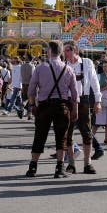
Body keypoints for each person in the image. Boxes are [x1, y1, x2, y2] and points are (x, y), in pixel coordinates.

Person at [25, 41, 79, 179]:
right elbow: (74, 93)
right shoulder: (68, 69)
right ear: (61, 52)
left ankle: (33, 167)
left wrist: (32, 106)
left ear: (49, 51)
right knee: (62, 138)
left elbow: (31, 90)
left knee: (39, 136)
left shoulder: (40, 68)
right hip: (62, 106)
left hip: (44, 106)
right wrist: (75, 110)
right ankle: (59, 168)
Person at [63, 41, 100, 174]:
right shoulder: (64, 64)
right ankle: (71, 163)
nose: (65, 53)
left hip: (83, 100)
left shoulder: (87, 63)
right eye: (64, 50)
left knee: (87, 132)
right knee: (68, 132)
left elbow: (95, 82)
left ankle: (87, 163)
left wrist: (98, 100)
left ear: (75, 50)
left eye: (67, 50)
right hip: (68, 101)